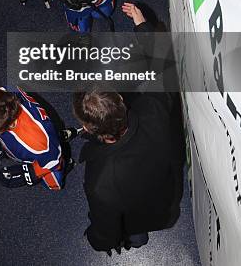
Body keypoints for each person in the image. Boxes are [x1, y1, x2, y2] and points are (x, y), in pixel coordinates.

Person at [73, 89, 184, 254]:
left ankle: (137, 240)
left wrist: (94, 239)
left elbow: (106, 235)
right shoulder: (153, 107)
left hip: (138, 218)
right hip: (165, 203)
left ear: (87, 129)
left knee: (136, 234)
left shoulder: (101, 182)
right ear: (120, 99)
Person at [0, 87, 71, 190]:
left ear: (9, 124)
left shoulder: (38, 143)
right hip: (39, 133)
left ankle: (66, 164)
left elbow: (54, 160)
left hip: (47, 150)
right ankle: (58, 137)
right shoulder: (0, 97)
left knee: (54, 185)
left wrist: (31, 173)